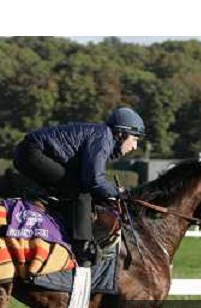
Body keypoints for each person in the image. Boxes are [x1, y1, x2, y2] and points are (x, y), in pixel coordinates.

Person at [13, 107, 145, 266]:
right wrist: (119, 192)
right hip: (32, 152)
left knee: (77, 187)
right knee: (81, 189)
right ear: (122, 133)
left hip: (29, 151)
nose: (135, 146)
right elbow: (94, 180)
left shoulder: (104, 137)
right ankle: (82, 248)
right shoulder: (103, 138)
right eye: (135, 139)